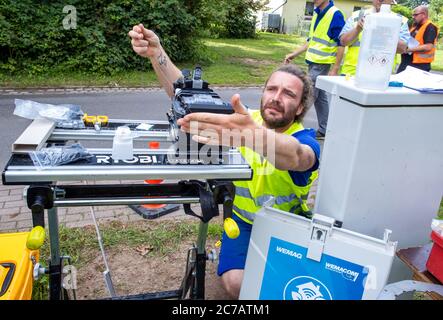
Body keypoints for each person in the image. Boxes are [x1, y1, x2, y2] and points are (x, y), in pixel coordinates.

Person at [128, 24, 321, 299]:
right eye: (271, 89)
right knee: (235, 284)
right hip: (242, 222)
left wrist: (250, 137)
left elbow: (297, 156)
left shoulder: (304, 139)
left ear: (301, 107)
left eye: (288, 94)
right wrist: (156, 53)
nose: (276, 98)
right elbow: (186, 95)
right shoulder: (243, 121)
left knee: (288, 286)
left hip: (287, 227)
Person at [284, 0, 345, 140]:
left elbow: (341, 43)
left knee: (308, 95)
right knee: (320, 97)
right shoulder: (317, 13)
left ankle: (290, 127)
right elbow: (311, 41)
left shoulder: (335, 14)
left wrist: (335, 68)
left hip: (322, 64)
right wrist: (294, 53)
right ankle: (325, 130)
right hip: (313, 62)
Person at [339, 0, 409, 76]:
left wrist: (384, 33)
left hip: (381, 75)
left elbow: (402, 49)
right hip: (352, 73)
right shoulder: (357, 15)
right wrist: (357, 29)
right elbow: (343, 42)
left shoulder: (399, 20)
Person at [397, 5, 439, 73]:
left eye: (415, 15)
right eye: (413, 15)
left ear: (423, 14)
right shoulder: (415, 26)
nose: (413, 17)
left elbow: (428, 47)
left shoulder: (430, 27)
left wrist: (407, 49)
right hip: (406, 63)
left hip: (419, 65)